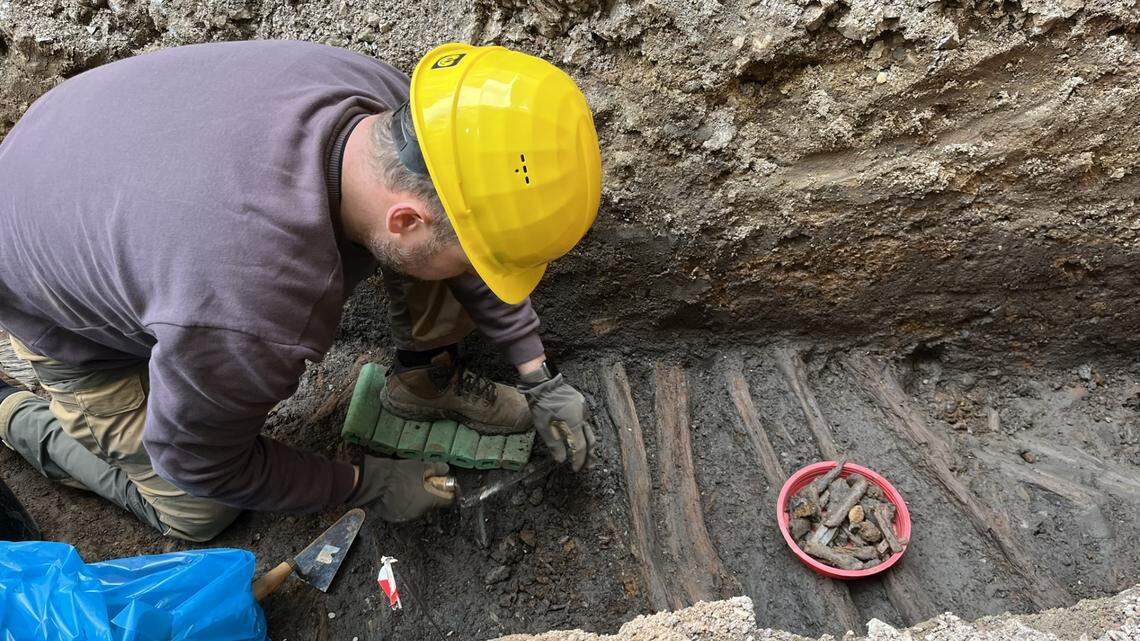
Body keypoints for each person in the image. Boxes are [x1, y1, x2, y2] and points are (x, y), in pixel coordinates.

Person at [0, 40, 601, 541]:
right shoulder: (252, 307)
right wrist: (364, 484)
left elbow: (466, 226)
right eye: (477, 256)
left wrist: (536, 372)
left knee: (439, 261)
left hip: (81, 157)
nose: (479, 268)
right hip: (54, 305)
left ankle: (426, 382)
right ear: (405, 219)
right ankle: (17, 414)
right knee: (198, 511)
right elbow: (200, 460)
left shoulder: (396, 112)